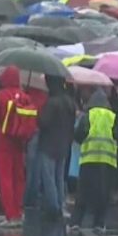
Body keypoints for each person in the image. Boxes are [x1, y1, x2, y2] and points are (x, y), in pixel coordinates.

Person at [0, 67, 35, 229]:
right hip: (20, 142)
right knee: (18, 178)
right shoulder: (25, 97)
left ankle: (10, 215)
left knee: (5, 179)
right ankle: (18, 213)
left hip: (2, 142)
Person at [71, 89, 118, 231]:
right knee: (103, 192)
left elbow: (79, 134)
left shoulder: (88, 115)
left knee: (83, 191)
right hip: (107, 161)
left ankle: (76, 222)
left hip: (89, 159)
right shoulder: (112, 117)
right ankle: (99, 223)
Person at [36, 77, 76, 220]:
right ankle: (61, 205)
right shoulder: (70, 102)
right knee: (60, 178)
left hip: (48, 144)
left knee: (49, 177)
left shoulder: (52, 102)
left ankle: (53, 207)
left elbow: (43, 122)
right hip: (64, 144)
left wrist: (38, 114)